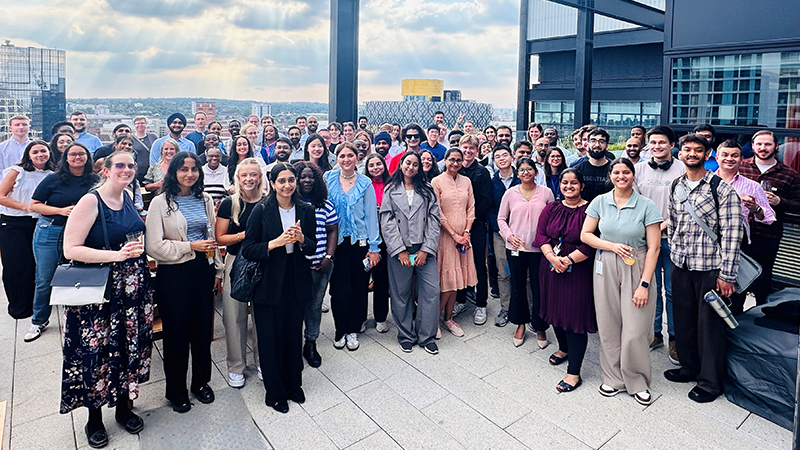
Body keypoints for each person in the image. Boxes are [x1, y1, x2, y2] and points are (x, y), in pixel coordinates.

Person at [61, 151, 153, 447]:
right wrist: (116, 256)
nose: (127, 169)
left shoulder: (126, 196)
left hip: (131, 289)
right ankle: (94, 418)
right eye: (121, 165)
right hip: (101, 294)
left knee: (127, 348)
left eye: (131, 166)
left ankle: (124, 408)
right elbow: (71, 249)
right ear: (106, 170)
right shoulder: (91, 201)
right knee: (96, 354)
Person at [664, 134, 743, 404]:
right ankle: (689, 367)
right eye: (687, 150)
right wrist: (674, 251)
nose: (692, 154)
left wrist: (727, 274)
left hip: (711, 268)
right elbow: (672, 222)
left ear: (707, 154)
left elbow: (733, 234)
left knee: (710, 327)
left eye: (698, 150)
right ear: (680, 153)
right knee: (683, 320)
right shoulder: (676, 185)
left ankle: (710, 382)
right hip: (682, 264)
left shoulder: (721, 189)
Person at [145, 152, 223, 413]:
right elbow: (154, 247)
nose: (189, 174)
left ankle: (201, 383)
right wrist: (189, 245)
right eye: (183, 169)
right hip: (174, 273)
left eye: (194, 169)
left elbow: (211, 236)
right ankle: (176, 391)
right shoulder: (160, 203)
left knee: (202, 332)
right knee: (176, 334)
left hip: (202, 269)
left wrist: (216, 269)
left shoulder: (206, 199)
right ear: (173, 172)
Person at [581, 157, 662, 406]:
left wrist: (645, 284)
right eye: (616, 172)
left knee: (636, 329)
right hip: (606, 263)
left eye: (626, 172)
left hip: (636, 264)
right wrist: (611, 246)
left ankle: (636, 379)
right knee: (609, 323)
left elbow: (655, 247)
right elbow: (586, 235)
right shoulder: (600, 202)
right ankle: (613, 377)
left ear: (633, 175)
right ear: (610, 176)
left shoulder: (646, 205)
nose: (621, 176)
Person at [240, 163, 316, 414]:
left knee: (294, 333)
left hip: (295, 280)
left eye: (291, 180)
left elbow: (313, 247)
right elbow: (249, 248)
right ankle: (275, 392)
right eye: (281, 181)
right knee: (270, 338)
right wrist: (275, 243)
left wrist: (302, 239)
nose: (287, 185)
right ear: (272, 184)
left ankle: (294, 385)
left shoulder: (305, 209)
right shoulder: (262, 210)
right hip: (268, 282)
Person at [25, 143, 99, 342]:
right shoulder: (53, 179)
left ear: (87, 157)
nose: (77, 157)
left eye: (81, 154)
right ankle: (38, 320)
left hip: (85, 234)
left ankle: (80, 319)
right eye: (73, 154)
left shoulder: (95, 180)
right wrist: (61, 210)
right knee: (44, 278)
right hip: (51, 230)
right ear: (65, 158)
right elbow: (35, 205)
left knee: (80, 275)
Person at [534, 168, 595, 392]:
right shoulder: (551, 208)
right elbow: (541, 235)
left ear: (582, 186)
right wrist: (552, 257)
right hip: (550, 267)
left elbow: (590, 243)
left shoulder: (590, 210)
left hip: (577, 270)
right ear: (559, 185)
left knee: (575, 318)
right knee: (555, 312)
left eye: (574, 183)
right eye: (565, 183)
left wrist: (567, 260)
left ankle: (574, 372)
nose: (569, 187)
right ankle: (563, 348)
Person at [632, 125, 685, 363]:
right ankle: (654, 333)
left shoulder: (684, 169)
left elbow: (687, 206)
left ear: (672, 145)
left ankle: (675, 337)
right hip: (646, 242)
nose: (657, 146)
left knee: (673, 291)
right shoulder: (638, 169)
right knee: (649, 289)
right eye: (652, 143)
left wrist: (662, 225)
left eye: (662, 142)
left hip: (674, 240)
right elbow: (632, 202)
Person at [380, 151, 441, 354]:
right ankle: (406, 334)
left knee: (430, 292)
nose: (411, 167)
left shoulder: (427, 190)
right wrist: (399, 250)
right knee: (401, 293)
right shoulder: (390, 189)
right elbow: (387, 222)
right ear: (401, 165)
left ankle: (427, 336)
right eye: (408, 163)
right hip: (400, 250)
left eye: (416, 164)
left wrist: (426, 249)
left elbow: (434, 220)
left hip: (425, 249)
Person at [324, 142, 381, 351]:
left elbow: (371, 216)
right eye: (342, 156)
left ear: (357, 158)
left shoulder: (365, 183)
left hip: (359, 242)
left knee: (358, 288)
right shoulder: (328, 178)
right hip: (335, 242)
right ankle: (340, 329)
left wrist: (374, 247)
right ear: (337, 158)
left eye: (350, 155)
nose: (346, 159)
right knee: (339, 289)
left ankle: (353, 329)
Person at [215, 158, 266, 388]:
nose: (249, 179)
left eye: (253, 175)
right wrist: (246, 235)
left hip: (264, 260)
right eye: (244, 175)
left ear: (260, 177)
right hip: (237, 261)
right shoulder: (230, 203)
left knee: (262, 314)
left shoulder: (268, 201)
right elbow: (220, 238)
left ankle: (263, 360)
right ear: (238, 177)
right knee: (234, 316)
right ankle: (236, 366)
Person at [497, 157, 555, 348]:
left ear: (535, 172)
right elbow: (501, 219)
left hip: (540, 249)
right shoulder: (510, 193)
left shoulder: (546, 193)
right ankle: (520, 323)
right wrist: (509, 236)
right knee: (518, 285)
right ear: (517, 173)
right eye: (521, 170)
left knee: (539, 288)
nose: (525, 173)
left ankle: (539, 326)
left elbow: (552, 220)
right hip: (516, 249)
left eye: (529, 169)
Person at [738, 130, 800, 306]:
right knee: (738, 280)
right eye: (759, 144)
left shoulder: (789, 174)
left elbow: (798, 204)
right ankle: (737, 322)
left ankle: (761, 318)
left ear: (776, 146)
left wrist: (780, 201)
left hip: (768, 234)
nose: (763, 148)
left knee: (763, 281)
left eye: (767, 144)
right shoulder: (741, 168)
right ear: (752, 146)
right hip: (739, 233)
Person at [715, 140, 775, 315]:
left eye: (734, 155)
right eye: (725, 155)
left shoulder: (752, 186)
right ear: (717, 157)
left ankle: (735, 335)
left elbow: (769, 218)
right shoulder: (705, 181)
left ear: (742, 159)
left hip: (738, 245)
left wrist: (755, 208)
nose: (729, 159)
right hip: (708, 244)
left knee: (734, 295)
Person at [0, 140, 54, 319]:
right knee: (17, 266)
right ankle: (19, 307)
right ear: (28, 155)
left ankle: (37, 304)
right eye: (36, 152)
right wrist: (27, 207)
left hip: (40, 223)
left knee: (37, 266)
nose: (40, 155)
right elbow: (1, 196)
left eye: (43, 151)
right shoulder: (18, 171)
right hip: (14, 223)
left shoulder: (52, 174)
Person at [294, 161, 338, 366]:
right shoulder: (288, 204)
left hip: (319, 264)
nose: (307, 180)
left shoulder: (325, 204)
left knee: (314, 306)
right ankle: (293, 343)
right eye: (302, 176)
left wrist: (329, 257)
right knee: (294, 305)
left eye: (311, 176)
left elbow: (332, 230)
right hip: (294, 265)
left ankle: (310, 343)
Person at [431, 148, 477, 337]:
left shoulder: (466, 181)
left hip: (464, 237)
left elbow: (471, 207)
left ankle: (448, 318)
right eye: (452, 160)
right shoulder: (437, 181)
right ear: (445, 160)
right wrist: (454, 235)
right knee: (447, 282)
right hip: (446, 238)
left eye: (459, 160)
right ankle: (433, 321)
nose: (455, 163)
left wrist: (466, 232)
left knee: (457, 282)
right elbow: (438, 212)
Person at [453, 135, 493, 326]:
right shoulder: (455, 169)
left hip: (475, 226)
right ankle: (460, 300)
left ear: (477, 151)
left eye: (471, 148)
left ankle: (481, 303)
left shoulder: (482, 172)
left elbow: (486, 201)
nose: (468, 151)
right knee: (460, 263)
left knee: (478, 264)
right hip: (456, 227)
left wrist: (470, 220)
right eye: (464, 147)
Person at [488, 144, 519, 327]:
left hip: (522, 233)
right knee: (503, 272)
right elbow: (490, 210)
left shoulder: (522, 177)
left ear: (512, 156)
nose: (501, 158)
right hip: (500, 233)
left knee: (525, 273)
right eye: (497, 156)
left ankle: (527, 308)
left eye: (504, 155)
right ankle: (506, 308)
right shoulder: (492, 183)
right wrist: (501, 230)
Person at [364, 153, 390, 333]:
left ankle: (381, 316)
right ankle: (360, 316)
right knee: (362, 278)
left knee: (382, 279)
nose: (375, 168)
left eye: (378, 164)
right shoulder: (364, 185)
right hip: (365, 235)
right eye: (371, 165)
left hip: (386, 236)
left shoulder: (392, 184)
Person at [574, 127, 613, 202]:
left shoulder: (614, 169)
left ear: (607, 146)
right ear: (587, 145)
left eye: (601, 141)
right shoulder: (577, 169)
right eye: (593, 141)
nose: (597, 145)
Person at [0, 115, 31, 181]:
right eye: (17, 125)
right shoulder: (2, 148)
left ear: (29, 127)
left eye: (24, 124)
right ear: (10, 128)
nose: (21, 127)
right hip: (7, 185)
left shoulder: (36, 147)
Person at [131, 116, 157, 182]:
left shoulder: (153, 137)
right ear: (134, 125)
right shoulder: (130, 139)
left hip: (151, 170)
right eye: (137, 123)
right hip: (137, 171)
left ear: (146, 124)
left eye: (142, 123)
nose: (140, 125)